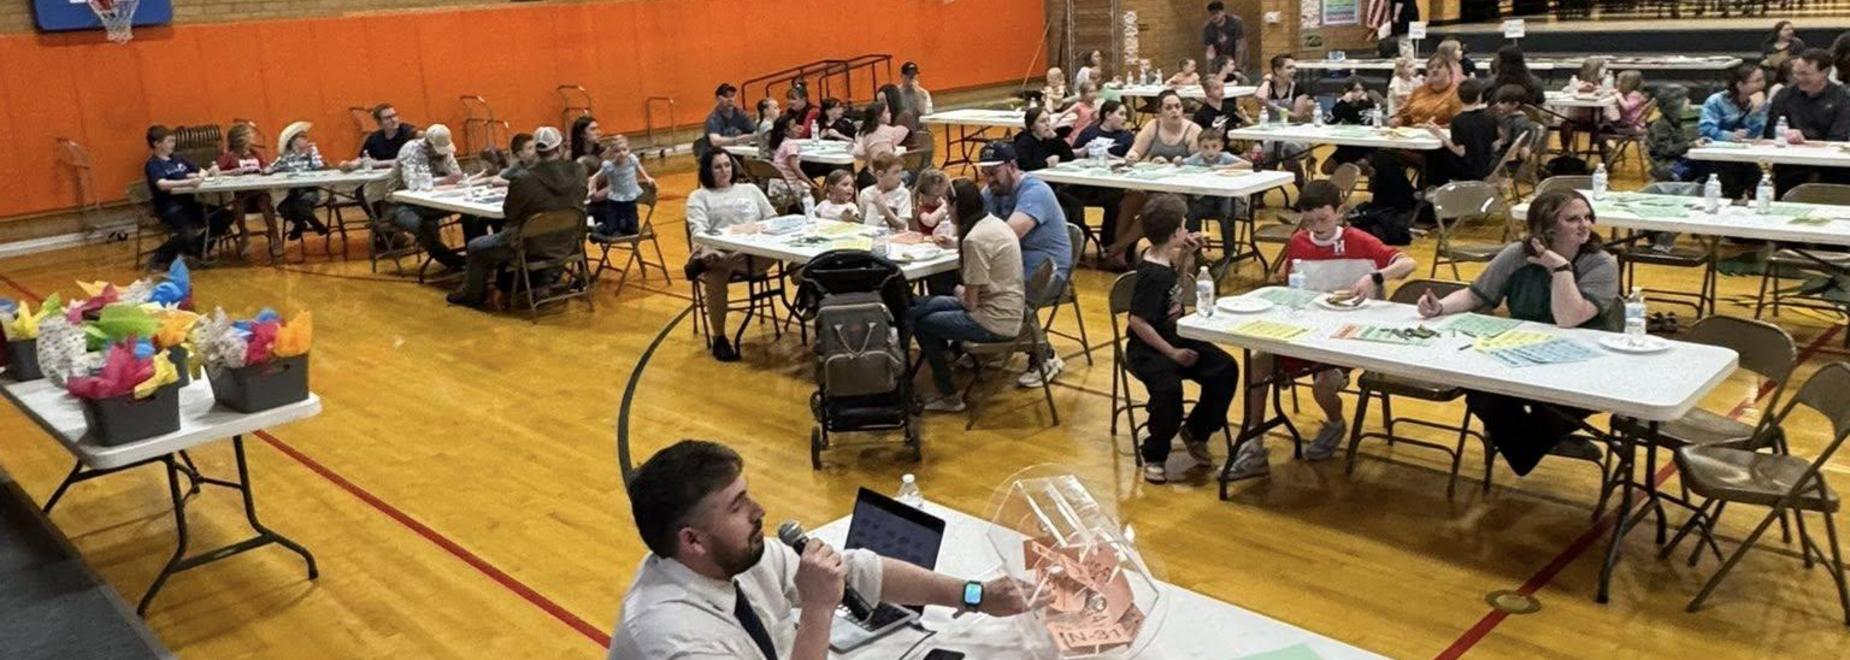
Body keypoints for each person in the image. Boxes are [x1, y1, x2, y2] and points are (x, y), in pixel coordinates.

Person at [608, 439, 1036, 660]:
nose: (760, 511)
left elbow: (858, 571)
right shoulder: (673, 640)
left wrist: (974, 595)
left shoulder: (732, 559)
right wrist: (817, 610)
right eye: (738, 506)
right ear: (693, 540)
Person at [1417, 190, 1618, 475]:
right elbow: (1476, 296)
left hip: (1584, 366)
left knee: (1555, 408)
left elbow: (1568, 318)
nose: (1584, 225)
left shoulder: (1601, 263)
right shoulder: (1516, 254)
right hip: (1524, 355)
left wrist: (1561, 269)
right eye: (1573, 219)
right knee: (1481, 393)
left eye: (1587, 217)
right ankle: (1539, 443)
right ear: (1545, 227)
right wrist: (1440, 308)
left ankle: (1528, 447)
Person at [1233, 181, 1416, 479]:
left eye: (1324, 219)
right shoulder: (1299, 243)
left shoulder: (1360, 241)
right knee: (1257, 363)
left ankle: (1334, 423)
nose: (1317, 226)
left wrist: (1376, 277)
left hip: (1350, 333)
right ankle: (1253, 443)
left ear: (1339, 213)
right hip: (1309, 330)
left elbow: (1408, 262)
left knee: (1324, 383)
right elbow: (1291, 284)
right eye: (1310, 220)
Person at [1123, 195, 1236, 484]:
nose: (1188, 230)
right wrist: (1172, 353)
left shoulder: (1167, 259)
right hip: (1149, 348)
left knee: (1225, 368)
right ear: (1174, 232)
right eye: (1184, 226)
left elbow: (1178, 294)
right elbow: (1137, 321)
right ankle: (1155, 455)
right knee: (1169, 392)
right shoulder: (1152, 273)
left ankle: (1196, 431)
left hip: (1174, 335)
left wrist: (1186, 256)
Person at [911, 179, 1025, 412]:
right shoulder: (992, 223)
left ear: (957, 206)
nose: (944, 208)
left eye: (947, 203)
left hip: (993, 320)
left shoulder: (974, 240)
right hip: (1006, 307)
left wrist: (955, 288)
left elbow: (970, 303)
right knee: (921, 305)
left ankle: (949, 394)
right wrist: (954, 245)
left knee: (922, 323)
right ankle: (945, 357)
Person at [446, 127, 586, 309]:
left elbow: (510, 213)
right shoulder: (579, 172)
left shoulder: (524, 179)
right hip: (569, 241)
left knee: (475, 247)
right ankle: (537, 281)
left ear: (536, 150)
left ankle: (472, 295)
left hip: (530, 245)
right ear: (560, 148)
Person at [978, 141, 1072, 387]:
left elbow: (1007, 237)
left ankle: (1045, 356)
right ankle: (984, 343)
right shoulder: (991, 192)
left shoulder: (1035, 191)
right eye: (984, 173)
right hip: (1012, 266)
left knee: (1002, 292)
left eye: (994, 172)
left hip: (1048, 271)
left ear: (1012, 166)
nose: (989, 180)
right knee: (963, 279)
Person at [686, 150, 779, 362]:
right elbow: (698, 231)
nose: (724, 171)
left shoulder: (750, 189)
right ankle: (719, 337)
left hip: (752, 249)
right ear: (708, 171)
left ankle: (707, 264)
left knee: (773, 256)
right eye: (717, 167)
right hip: (718, 251)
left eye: (727, 165)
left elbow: (772, 218)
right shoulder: (699, 196)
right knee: (715, 274)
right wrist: (714, 251)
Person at [1106, 91, 1202, 269]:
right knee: (1129, 201)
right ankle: (1121, 254)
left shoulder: (1193, 130)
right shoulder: (1153, 126)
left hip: (1180, 191)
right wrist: (1134, 157)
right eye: (1169, 108)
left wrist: (1174, 164)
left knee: (1154, 210)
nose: (1175, 111)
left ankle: (1116, 248)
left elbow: (1200, 165)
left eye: (1178, 107)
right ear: (1159, 112)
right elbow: (1136, 150)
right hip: (1153, 184)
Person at [1369, 56, 1463, 213]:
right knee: (1381, 155)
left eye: (1439, 67)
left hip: (1440, 146)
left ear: (1449, 71)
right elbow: (1405, 113)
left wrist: (1434, 127)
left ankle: (1422, 204)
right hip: (1412, 140)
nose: (1434, 70)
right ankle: (1402, 199)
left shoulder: (1456, 93)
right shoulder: (1420, 91)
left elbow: (1459, 123)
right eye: (1431, 67)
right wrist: (1397, 119)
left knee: (1435, 160)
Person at [142, 125, 232, 271]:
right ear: (157, 144)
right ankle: (160, 256)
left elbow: (202, 171)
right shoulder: (153, 164)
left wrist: (198, 176)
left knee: (225, 215)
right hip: (170, 207)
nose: (173, 144)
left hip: (190, 204)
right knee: (187, 232)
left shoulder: (177, 159)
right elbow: (162, 184)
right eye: (169, 141)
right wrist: (188, 181)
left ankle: (196, 250)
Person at [1762, 48, 1850, 192]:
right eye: (1796, 73)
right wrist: (1785, 134)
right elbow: (1770, 132)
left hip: (1831, 165)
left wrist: (1805, 141)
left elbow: (1838, 138)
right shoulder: (1784, 95)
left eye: (1805, 74)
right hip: (1790, 161)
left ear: (1825, 72)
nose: (1799, 78)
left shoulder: (1843, 98)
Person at [384, 124, 470, 270]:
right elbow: (413, 184)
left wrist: (456, 178)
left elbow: (456, 175)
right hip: (400, 205)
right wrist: (444, 180)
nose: (442, 153)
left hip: (434, 202)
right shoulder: (411, 150)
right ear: (428, 143)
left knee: (471, 213)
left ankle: (473, 256)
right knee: (422, 225)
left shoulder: (445, 150)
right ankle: (454, 262)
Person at [1698, 63, 1770, 197]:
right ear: (1740, 85)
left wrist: (1756, 111)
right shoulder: (1716, 101)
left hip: (1747, 156)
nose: (1762, 85)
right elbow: (1706, 130)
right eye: (1757, 81)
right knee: (1728, 179)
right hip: (1719, 157)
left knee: (1761, 182)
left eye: (1763, 80)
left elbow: (1755, 134)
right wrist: (1729, 136)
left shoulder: (1760, 103)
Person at [216, 123, 280, 257]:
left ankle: (275, 237)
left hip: (259, 191)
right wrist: (233, 172)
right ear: (241, 139)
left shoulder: (254, 154)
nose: (253, 137)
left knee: (265, 203)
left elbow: (266, 166)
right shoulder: (230, 156)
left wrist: (267, 169)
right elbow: (215, 172)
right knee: (238, 206)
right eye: (249, 135)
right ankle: (244, 233)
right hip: (242, 193)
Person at [1254, 54, 1315, 185]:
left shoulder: (1298, 88)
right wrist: (1266, 81)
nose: (1293, 70)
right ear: (1277, 70)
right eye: (1289, 67)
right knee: (1267, 154)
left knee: (1287, 150)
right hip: (1270, 132)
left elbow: (1297, 115)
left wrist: (1274, 107)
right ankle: (1260, 193)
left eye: (1294, 67)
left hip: (1293, 132)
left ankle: (1302, 187)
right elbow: (1260, 98)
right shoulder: (1267, 87)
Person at [1426, 79, 1501, 185]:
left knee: (1434, 157)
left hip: (1465, 171)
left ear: (1459, 97)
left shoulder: (1458, 121)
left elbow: (1461, 152)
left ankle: (1431, 191)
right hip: (1486, 168)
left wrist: (1440, 134)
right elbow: (1496, 146)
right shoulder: (1490, 117)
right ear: (1479, 97)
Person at [267, 121, 331, 239]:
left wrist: (313, 154)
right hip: (294, 193)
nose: (306, 139)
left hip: (310, 191)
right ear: (292, 140)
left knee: (301, 205)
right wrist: (268, 170)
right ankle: (304, 224)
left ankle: (303, 226)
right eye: (302, 137)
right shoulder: (285, 158)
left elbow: (320, 169)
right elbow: (270, 168)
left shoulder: (310, 154)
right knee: (282, 208)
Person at [1181, 130, 1248, 231]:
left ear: (1221, 146)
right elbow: (1182, 163)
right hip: (1206, 198)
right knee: (1192, 213)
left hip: (1227, 198)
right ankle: (1194, 244)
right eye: (1205, 147)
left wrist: (1224, 168)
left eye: (1214, 146)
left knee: (1226, 214)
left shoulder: (1225, 157)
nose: (1210, 151)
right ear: (1199, 147)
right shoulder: (1197, 158)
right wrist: (1177, 160)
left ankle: (1229, 246)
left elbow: (1247, 164)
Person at [590, 134, 654, 237]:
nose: (622, 153)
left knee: (633, 229)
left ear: (629, 149)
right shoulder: (609, 166)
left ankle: (624, 226)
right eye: (617, 151)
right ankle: (600, 227)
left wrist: (647, 178)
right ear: (612, 153)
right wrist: (592, 187)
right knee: (611, 230)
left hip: (630, 198)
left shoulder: (632, 160)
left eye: (624, 150)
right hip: (614, 200)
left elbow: (639, 168)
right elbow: (596, 176)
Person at [1324, 77, 1379, 173]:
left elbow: (1365, 122)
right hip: (1347, 147)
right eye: (1356, 90)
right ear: (1348, 92)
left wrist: (1362, 103)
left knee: (1358, 167)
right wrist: (1343, 103)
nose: (1360, 93)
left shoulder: (1369, 104)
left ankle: (1372, 176)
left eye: (1363, 90)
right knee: (1327, 168)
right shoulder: (1343, 105)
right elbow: (1328, 120)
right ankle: (1342, 184)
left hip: (1366, 148)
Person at [1491, 84, 1544, 178]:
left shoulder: (1520, 123)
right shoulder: (1506, 117)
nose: (1497, 105)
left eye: (1502, 102)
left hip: (1503, 162)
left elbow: (1519, 151)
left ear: (1515, 104)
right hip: (1501, 157)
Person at [1647, 85, 1695, 185]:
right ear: (1675, 104)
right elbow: (1666, 150)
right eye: (1686, 99)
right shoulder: (1660, 126)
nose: (1689, 102)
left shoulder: (1677, 122)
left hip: (1679, 161)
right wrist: (1689, 145)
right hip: (1668, 166)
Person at [765, 116, 814, 213]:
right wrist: (810, 182)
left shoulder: (781, 143)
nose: (798, 128)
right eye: (794, 126)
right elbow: (795, 167)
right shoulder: (790, 144)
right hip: (787, 186)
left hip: (774, 186)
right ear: (786, 131)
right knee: (813, 190)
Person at [857, 152, 911, 231]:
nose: (900, 176)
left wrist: (884, 209)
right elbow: (862, 222)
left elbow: (902, 226)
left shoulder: (903, 193)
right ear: (880, 174)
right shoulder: (865, 193)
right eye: (895, 172)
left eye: (900, 171)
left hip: (895, 239)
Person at [1013, 107, 1076, 172]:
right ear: (1032, 126)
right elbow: (1024, 165)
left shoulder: (1049, 139)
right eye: (1042, 121)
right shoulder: (1024, 142)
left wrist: (1056, 138)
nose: (1047, 124)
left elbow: (1070, 157)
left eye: (1048, 120)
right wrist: (1046, 163)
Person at [704, 84, 757, 150]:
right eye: (726, 97)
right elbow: (715, 141)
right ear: (718, 99)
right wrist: (737, 140)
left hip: (739, 152)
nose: (730, 100)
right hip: (719, 155)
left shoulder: (741, 113)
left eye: (732, 96)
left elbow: (755, 131)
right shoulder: (713, 118)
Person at [1201, 1, 1244, 75]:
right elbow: (1210, 52)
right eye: (1211, 14)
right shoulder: (1208, 28)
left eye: (1217, 13)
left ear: (1223, 12)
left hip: (1234, 53)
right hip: (1220, 58)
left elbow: (1240, 46)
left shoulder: (1235, 22)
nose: (1214, 16)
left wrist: (1238, 68)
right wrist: (1210, 72)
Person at [913, 169, 954, 237]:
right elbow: (930, 222)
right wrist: (944, 205)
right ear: (936, 190)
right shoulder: (922, 208)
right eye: (947, 186)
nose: (949, 189)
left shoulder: (941, 204)